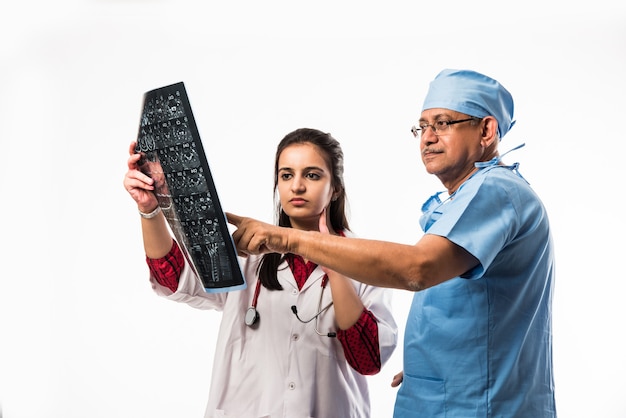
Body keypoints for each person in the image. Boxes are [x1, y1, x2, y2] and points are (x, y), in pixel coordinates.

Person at [227, 69, 557, 417]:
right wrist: (431, 366)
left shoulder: (494, 191)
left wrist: (288, 238)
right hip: (462, 394)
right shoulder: (471, 199)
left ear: (487, 131)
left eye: (442, 123)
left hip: (478, 405)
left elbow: (417, 269)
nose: (427, 138)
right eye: (422, 126)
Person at [123, 127, 398, 418]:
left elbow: (368, 359)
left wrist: (333, 259)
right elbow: (173, 278)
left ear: (336, 188)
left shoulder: (364, 260)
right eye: (287, 175)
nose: (297, 186)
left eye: (313, 175)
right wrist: (149, 209)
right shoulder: (249, 251)